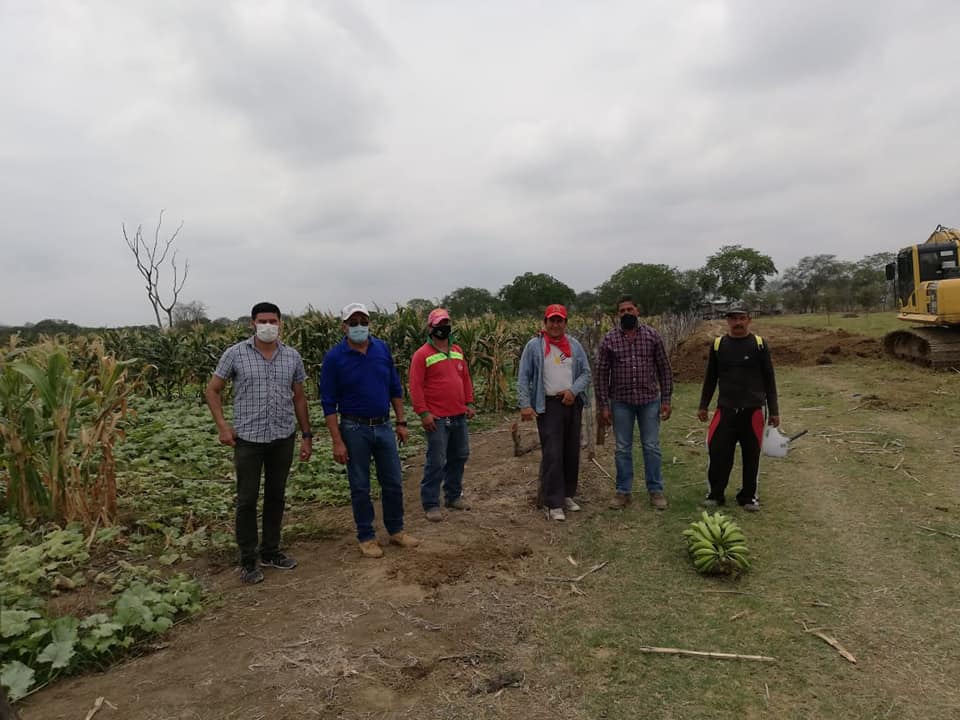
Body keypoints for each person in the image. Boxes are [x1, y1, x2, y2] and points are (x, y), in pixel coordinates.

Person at [205, 302, 313, 584]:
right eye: (263, 321)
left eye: (273, 321)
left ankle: (271, 551)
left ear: (280, 324)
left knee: (276, 496)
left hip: (282, 437)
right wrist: (223, 426)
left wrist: (306, 435)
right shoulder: (235, 354)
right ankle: (248, 559)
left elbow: (299, 398)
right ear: (252, 323)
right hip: (248, 440)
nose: (268, 326)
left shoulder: (291, 356)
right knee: (247, 500)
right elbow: (213, 390)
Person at [319, 302, 419, 557]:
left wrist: (401, 421)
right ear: (343, 327)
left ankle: (396, 530)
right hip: (354, 428)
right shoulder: (334, 358)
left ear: (369, 324)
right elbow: (328, 402)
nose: (359, 326)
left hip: (383, 425)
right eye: (353, 323)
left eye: (363, 322)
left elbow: (394, 387)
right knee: (360, 486)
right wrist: (337, 440)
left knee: (393, 481)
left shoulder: (381, 349)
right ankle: (366, 536)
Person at [697, 306, 780, 512]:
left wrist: (774, 410)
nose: (738, 323)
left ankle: (748, 496)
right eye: (734, 319)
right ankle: (716, 494)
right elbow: (710, 377)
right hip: (726, 409)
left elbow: (769, 379)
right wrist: (703, 405)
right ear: (728, 321)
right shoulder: (719, 345)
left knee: (751, 455)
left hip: (753, 411)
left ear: (749, 320)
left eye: (742, 318)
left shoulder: (759, 345)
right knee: (718, 452)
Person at [596, 295, 673, 510]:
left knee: (651, 446)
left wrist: (666, 399)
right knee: (622, 448)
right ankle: (623, 492)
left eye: (630, 309)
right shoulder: (609, 339)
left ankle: (656, 490)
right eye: (622, 311)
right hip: (621, 402)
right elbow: (601, 374)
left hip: (649, 400)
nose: (626, 313)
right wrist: (603, 405)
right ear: (617, 315)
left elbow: (664, 369)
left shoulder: (652, 336)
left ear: (637, 311)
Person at [517, 304, 593, 521]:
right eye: (552, 320)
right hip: (548, 405)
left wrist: (573, 391)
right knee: (553, 453)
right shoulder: (535, 346)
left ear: (565, 323)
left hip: (571, 403)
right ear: (545, 322)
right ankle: (553, 503)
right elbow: (524, 376)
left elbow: (586, 373)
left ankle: (567, 494)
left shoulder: (574, 345)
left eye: (560, 321)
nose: (556, 325)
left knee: (571, 451)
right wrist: (525, 404)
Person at [408, 308, 476, 522]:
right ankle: (430, 503)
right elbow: (415, 387)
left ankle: (453, 496)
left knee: (460, 455)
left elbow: (465, 378)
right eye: (439, 325)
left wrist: (469, 402)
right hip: (437, 418)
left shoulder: (457, 350)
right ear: (430, 328)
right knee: (436, 461)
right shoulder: (422, 355)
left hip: (458, 415)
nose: (443, 328)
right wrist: (423, 413)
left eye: (446, 324)